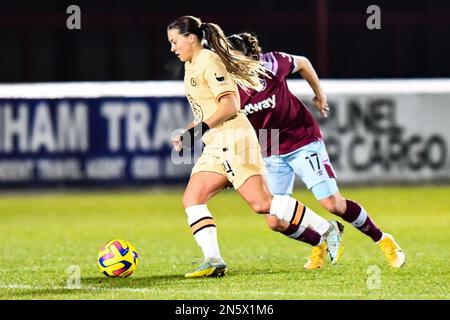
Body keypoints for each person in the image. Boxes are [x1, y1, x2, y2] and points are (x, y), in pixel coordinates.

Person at [167, 15, 344, 278]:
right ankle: (214, 260)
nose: (172, 48)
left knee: (263, 204)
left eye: (175, 41)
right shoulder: (192, 64)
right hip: (215, 143)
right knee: (192, 199)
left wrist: (200, 130)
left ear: (191, 38)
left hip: (235, 140)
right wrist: (189, 132)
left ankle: (327, 228)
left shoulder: (209, 61)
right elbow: (208, 108)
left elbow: (229, 105)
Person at [227, 32, 405, 268]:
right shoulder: (228, 87)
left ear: (251, 57)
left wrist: (319, 94)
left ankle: (383, 240)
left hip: (302, 141)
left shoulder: (271, 63)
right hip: (269, 151)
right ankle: (319, 241)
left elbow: (303, 63)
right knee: (275, 221)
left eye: (237, 59)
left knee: (333, 205)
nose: (234, 65)